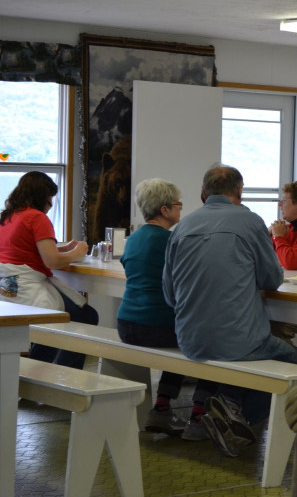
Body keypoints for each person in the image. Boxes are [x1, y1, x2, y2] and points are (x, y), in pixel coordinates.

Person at [163, 165, 297, 458]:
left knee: (251, 354)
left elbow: (170, 296)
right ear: (240, 192)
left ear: (203, 193)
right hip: (241, 339)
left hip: (189, 339)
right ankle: (239, 417)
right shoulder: (249, 221)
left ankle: (230, 407)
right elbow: (272, 278)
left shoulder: (182, 227)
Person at [117, 179, 217, 440]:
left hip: (127, 324)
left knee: (184, 334)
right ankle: (199, 414)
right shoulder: (172, 241)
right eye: (177, 204)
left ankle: (162, 407)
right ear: (164, 210)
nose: (180, 209)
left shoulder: (135, 237)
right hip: (155, 326)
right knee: (211, 341)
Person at [0, 171, 98, 369]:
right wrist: (77, 252)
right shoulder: (37, 218)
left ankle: (38, 369)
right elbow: (52, 261)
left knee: (56, 327)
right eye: (50, 197)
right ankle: (63, 373)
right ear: (42, 196)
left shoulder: (8, 216)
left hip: (9, 289)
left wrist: (64, 248)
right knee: (86, 316)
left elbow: (25, 249)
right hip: (29, 287)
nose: (51, 203)